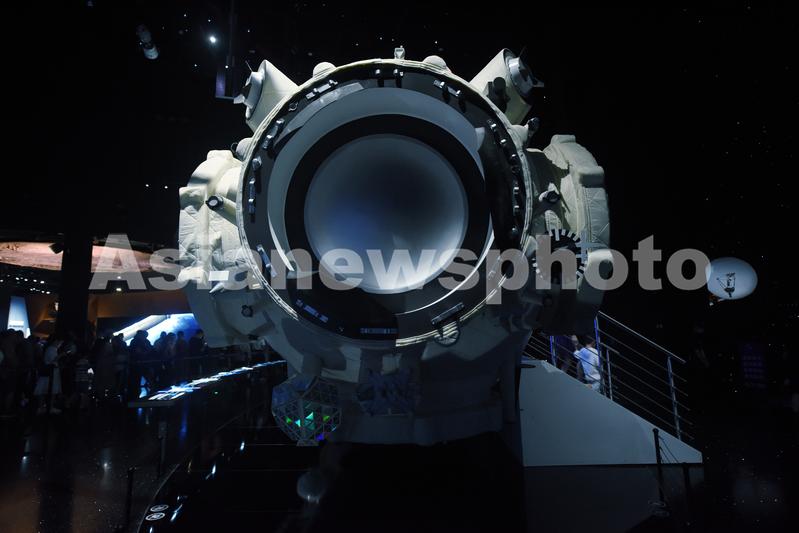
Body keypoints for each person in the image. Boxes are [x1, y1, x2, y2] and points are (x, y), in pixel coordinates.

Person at [34, 338, 63, 414]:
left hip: (48, 372)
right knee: (51, 390)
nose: (60, 345)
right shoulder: (52, 349)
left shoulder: (50, 349)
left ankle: (42, 407)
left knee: (43, 389)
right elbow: (53, 360)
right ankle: (48, 407)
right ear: (56, 341)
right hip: (50, 372)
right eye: (60, 343)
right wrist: (61, 355)